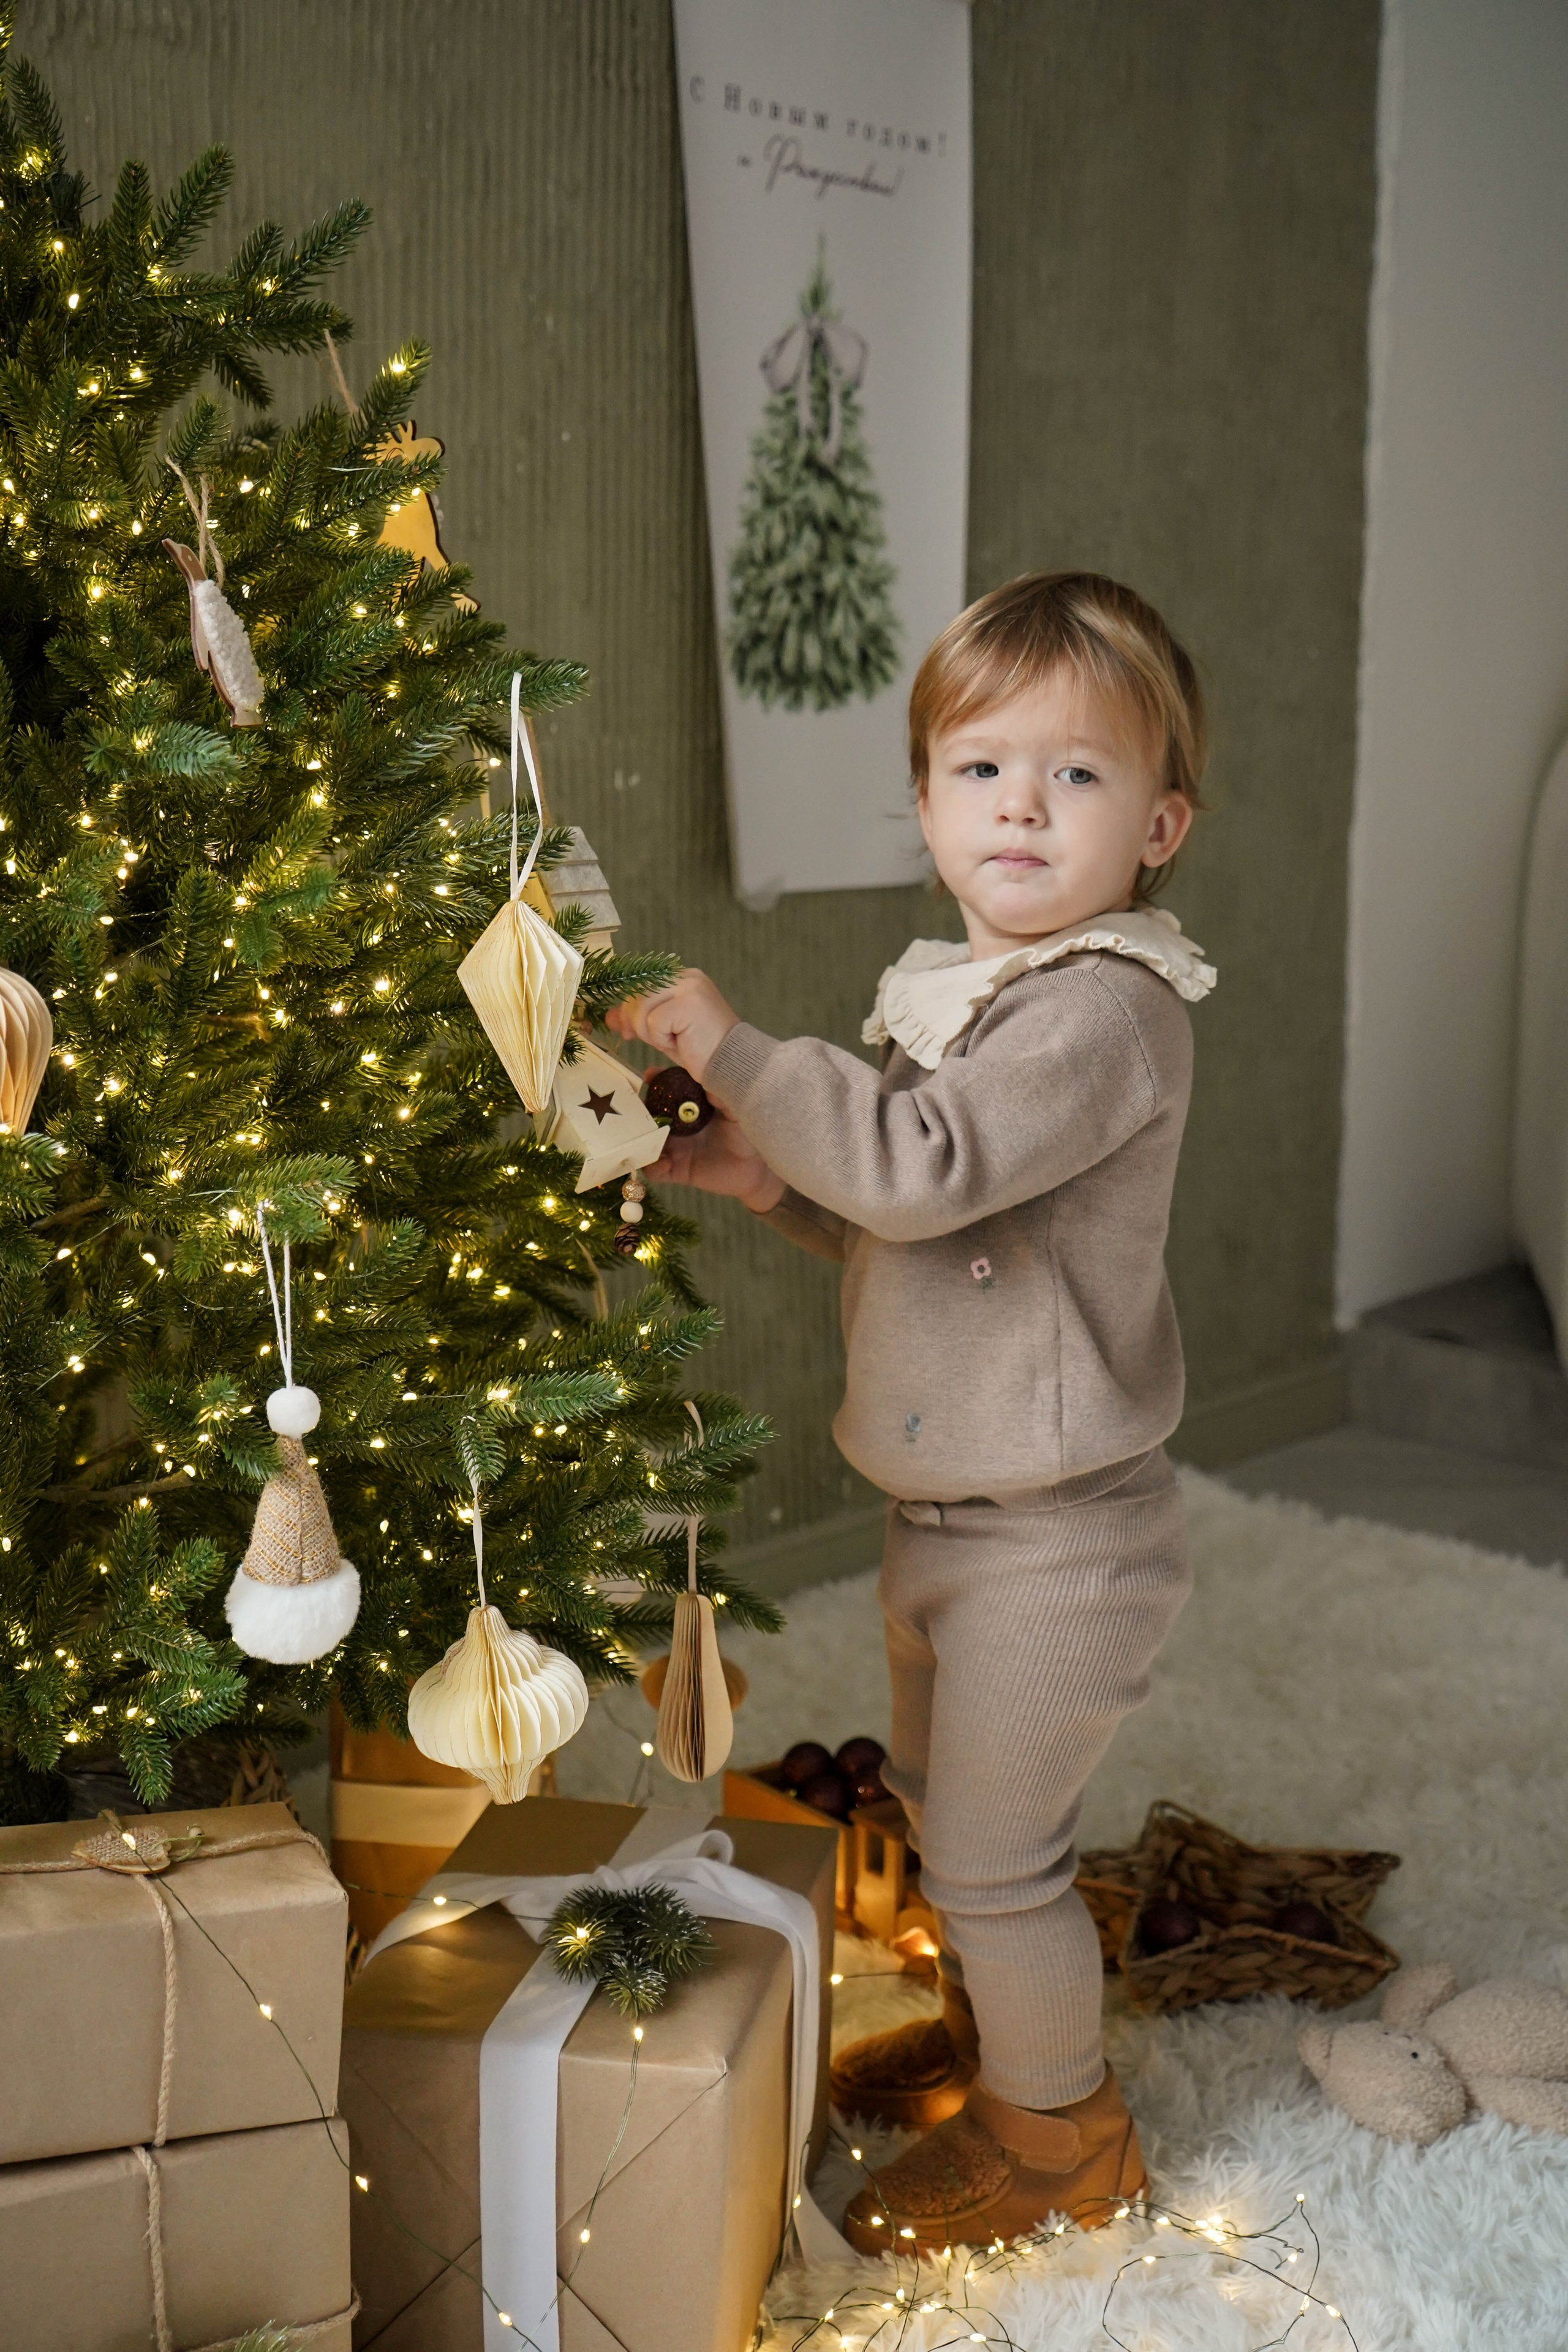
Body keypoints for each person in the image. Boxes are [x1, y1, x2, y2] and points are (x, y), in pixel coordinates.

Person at [609, 570, 1216, 2252]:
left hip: (1060, 1543)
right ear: (929, 801)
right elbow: (900, 1209)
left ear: (1158, 825)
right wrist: (759, 1171)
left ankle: (1062, 2139)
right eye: (979, 770)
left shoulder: (1106, 1008)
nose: (1020, 803)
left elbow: (922, 1170)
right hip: (949, 1526)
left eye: (1076, 777)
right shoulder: (977, 991)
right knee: (959, 1839)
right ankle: (999, 2037)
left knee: (1001, 1865)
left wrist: (735, 1048)